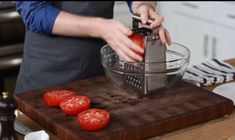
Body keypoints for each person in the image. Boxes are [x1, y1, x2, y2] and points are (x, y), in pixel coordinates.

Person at [14, 1, 171, 94]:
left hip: (99, 77)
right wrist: (100, 27)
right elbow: (34, 12)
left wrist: (143, 6)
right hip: (48, 78)